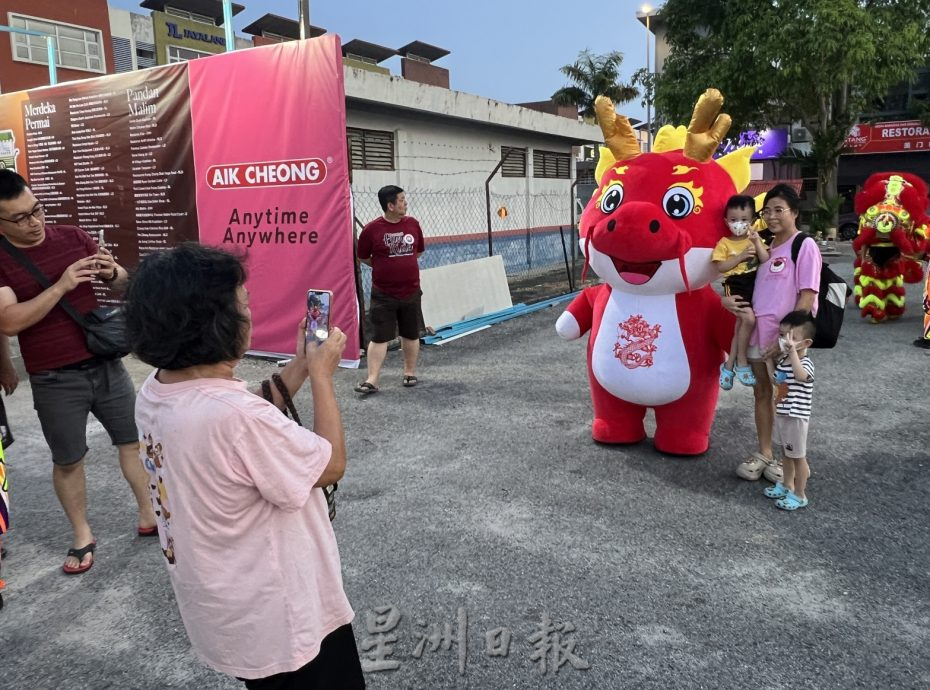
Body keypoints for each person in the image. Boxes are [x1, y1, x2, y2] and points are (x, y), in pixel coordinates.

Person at [125, 243, 364, 688]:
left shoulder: (158, 391)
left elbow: (243, 412)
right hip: (284, 618)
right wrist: (324, 377)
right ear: (217, 324)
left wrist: (300, 365)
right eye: (244, 304)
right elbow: (329, 466)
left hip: (230, 608)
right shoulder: (235, 418)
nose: (249, 312)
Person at [0, 169, 155, 575]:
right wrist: (61, 285)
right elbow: (10, 320)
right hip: (54, 376)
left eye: (36, 210)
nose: (33, 222)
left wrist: (111, 273)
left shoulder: (72, 236)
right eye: (19, 218)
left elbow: (123, 285)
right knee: (68, 459)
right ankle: (82, 534)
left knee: (133, 442)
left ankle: (149, 514)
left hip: (105, 361)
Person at [729, 184, 821, 484]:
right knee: (762, 394)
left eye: (778, 210)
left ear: (794, 212)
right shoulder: (766, 248)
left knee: (788, 402)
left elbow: (807, 297)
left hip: (784, 344)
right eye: (767, 211)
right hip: (758, 337)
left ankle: (788, 461)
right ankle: (765, 453)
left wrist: (786, 343)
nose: (771, 216)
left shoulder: (803, 245)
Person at [355, 185, 425, 395]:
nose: (406, 203)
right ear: (390, 205)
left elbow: (418, 251)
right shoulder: (371, 230)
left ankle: (409, 372)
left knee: (410, 333)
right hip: (384, 293)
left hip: (411, 290)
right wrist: (384, 267)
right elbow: (363, 256)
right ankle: (372, 379)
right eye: (402, 200)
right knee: (379, 336)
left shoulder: (413, 224)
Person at [713, 194, 770, 389]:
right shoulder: (725, 243)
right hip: (735, 284)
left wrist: (756, 242)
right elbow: (721, 267)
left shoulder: (755, 239)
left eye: (744, 220)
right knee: (749, 319)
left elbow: (765, 259)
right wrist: (740, 257)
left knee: (741, 325)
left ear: (752, 220)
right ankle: (742, 362)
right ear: (726, 221)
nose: (739, 224)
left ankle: (728, 366)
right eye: (734, 220)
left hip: (753, 284)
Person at [762, 311, 816, 511]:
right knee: (786, 453)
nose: (786, 340)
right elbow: (777, 380)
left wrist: (793, 354)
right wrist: (769, 362)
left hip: (796, 417)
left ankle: (800, 494)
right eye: (783, 335)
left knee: (798, 457)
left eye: (792, 337)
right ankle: (787, 484)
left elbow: (802, 377)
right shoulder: (785, 361)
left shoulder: (805, 363)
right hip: (783, 414)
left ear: (806, 343)